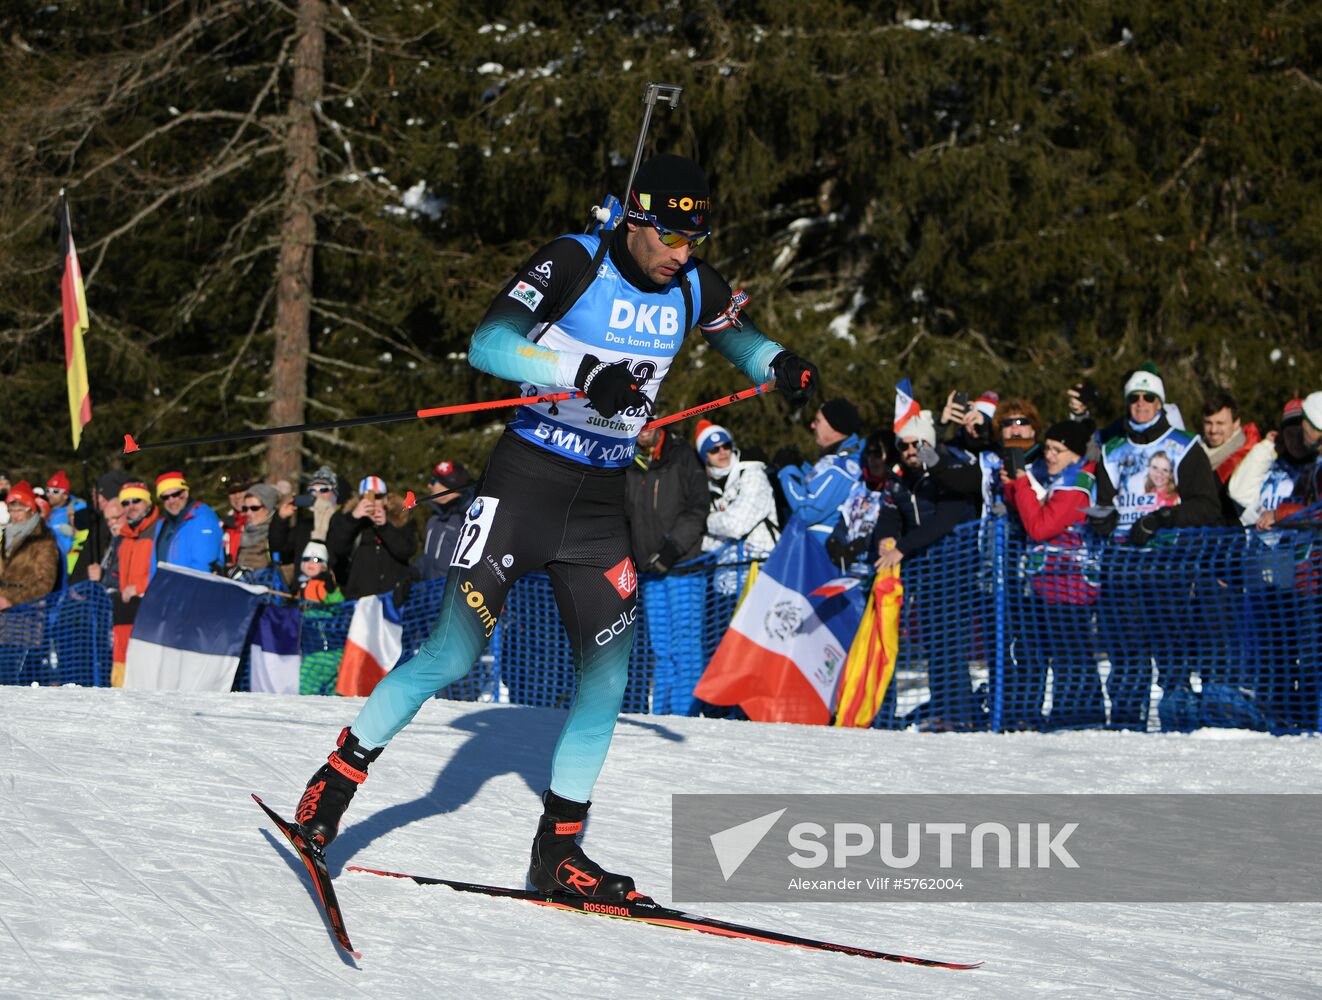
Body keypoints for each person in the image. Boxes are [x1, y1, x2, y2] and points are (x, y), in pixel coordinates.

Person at [287, 152, 818, 901]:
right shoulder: (575, 260)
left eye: (692, 240)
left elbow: (737, 334)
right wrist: (581, 372)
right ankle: (329, 795)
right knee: (450, 654)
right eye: (668, 236)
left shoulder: (693, 282)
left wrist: (782, 362)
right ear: (636, 218)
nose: (680, 254)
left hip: (600, 506)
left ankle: (559, 853)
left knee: (607, 682)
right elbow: (488, 343)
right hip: (524, 488)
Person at [1092, 366, 1221, 730]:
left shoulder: (1184, 445)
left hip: (1168, 562)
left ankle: (1178, 714)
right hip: (1122, 563)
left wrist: (1164, 518)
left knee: (1171, 643)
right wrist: (1100, 517)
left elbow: (1207, 505)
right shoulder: (1113, 450)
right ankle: (1126, 719)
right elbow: (1103, 500)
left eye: (1149, 398)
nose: (1141, 404)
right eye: (1134, 398)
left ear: (1161, 403)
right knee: (1126, 646)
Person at [871, 409, 982, 728]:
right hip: (924, 570)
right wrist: (886, 538)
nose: (911, 452)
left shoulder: (947, 470)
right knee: (933, 640)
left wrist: (903, 547)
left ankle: (958, 713)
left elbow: (945, 519)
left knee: (951, 641)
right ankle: (944, 707)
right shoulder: (898, 477)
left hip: (955, 566)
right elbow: (890, 514)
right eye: (904, 446)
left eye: (918, 445)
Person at [1001, 422, 1105, 729]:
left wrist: (1019, 484)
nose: (1049, 455)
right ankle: (1061, 711)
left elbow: (1040, 526)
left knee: (1071, 651)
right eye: (1047, 448)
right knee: (1052, 651)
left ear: (1074, 454)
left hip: (1070, 585)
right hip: (1049, 584)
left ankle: (1080, 713)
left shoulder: (1075, 483)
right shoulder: (1058, 479)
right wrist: (1013, 486)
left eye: (1057, 450)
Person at [776, 398, 864, 541]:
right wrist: (800, 465)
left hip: (823, 554)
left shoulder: (845, 468)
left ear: (835, 426)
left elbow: (807, 511)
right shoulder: (836, 462)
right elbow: (816, 489)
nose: (812, 426)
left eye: (817, 421)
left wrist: (788, 470)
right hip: (815, 550)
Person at [626, 425, 709, 574]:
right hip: (648, 568)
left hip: (685, 565)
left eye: (648, 422)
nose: (643, 428)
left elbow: (698, 508)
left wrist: (672, 549)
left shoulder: (681, 453)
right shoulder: (627, 461)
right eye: (637, 423)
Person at [697, 420, 778, 560]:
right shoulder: (707, 487)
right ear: (705, 456)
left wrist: (705, 521)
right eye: (714, 449)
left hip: (762, 563)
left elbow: (737, 525)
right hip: (727, 572)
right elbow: (706, 543)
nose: (722, 452)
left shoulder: (753, 473)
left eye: (726, 446)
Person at [327, 475, 418, 599]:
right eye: (367, 497)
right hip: (359, 599)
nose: (373, 502)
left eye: (378, 497)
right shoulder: (345, 518)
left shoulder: (400, 519)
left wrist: (385, 527)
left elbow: (407, 550)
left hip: (393, 599)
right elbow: (336, 548)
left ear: (386, 499)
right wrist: (353, 519)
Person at [107, 481, 160, 687]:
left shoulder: (158, 529)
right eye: (126, 503)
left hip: (148, 605)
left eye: (136, 500)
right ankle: (120, 691)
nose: (131, 506)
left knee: (143, 661)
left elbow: (163, 567)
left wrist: (140, 587)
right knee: (121, 656)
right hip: (125, 607)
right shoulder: (125, 536)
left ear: (147, 502)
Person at [271, 465, 341, 580]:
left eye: (323, 490)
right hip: (304, 592)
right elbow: (280, 552)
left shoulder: (344, 524)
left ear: (335, 493)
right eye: (312, 491)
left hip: (334, 594)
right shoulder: (304, 527)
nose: (317, 495)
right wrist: (281, 520)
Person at [297, 540, 346, 697]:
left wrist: (331, 590)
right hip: (312, 646)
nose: (311, 563)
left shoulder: (323, 583)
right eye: (306, 560)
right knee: (331, 687)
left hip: (326, 647)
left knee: (307, 682)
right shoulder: (302, 584)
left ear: (324, 566)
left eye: (317, 560)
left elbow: (339, 604)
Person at [0, 481, 60, 609]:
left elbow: (45, 583)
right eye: (12, 510)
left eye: (20, 510)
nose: (15, 515)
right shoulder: (7, 537)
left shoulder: (43, 541)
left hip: (27, 612)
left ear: (31, 510)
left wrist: (12, 600)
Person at [151, 471, 225, 575]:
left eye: (175, 494)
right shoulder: (162, 525)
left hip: (195, 588)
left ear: (185, 493)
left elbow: (202, 567)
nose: (171, 501)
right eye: (165, 497)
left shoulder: (203, 519)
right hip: (167, 589)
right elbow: (154, 567)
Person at [414, 460, 477, 581]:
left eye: (433, 481)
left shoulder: (469, 518)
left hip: (456, 595)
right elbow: (430, 556)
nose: (429, 486)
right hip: (432, 595)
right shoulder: (435, 518)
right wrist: (414, 571)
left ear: (448, 485)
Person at [1199, 388, 1259, 486]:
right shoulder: (1193, 450)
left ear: (1236, 423)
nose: (1213, 430)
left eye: (1220, 423)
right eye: (1208, 423)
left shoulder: (1245, 458)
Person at [43, 469, 89, 578]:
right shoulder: (49, 511)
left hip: (70, 566)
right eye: (48, 490)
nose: (50, 494)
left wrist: (73, 530)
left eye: (55, 491)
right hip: (50, 564)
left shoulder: (77, 508)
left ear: (65, 495)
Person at [230, 484, 281, 574]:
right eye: (245, 508)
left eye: (254, 508)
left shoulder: (277, 532)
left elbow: (288, 570)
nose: (248, 513)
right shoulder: (246, 531)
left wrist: (263, 582)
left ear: (268, 508)